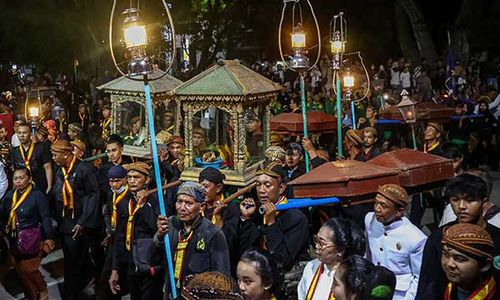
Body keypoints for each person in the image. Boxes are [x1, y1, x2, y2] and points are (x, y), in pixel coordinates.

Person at [416, 174, 500, 298]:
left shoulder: (497, 238)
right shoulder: (438, 238)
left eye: (470, 200)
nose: (461, 207)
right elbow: (427, 281)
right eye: (455, 200)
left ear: (484, 202)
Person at [155, 181, 231, 294]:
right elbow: (156, 255)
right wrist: (160, 235)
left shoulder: (212, 233)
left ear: (201, 207)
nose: (182, 208)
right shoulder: (170, 224)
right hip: (171, 291)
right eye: (179, 202)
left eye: (188, 204)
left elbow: (221, 277)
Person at [51, 139, 100, 300]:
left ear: (66, 154)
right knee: (72, 259)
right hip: (65, 221)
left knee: (74, 261)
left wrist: (83, 221)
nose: (52, 157)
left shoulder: (84, 169)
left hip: (79, 222)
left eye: (55, 154)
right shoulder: (60, 170)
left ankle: (71, 294)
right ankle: (80, 284)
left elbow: (93, 195)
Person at [239, 161, 309, 271]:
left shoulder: (296, 218)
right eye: (258, 185)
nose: (261, 191)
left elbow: (283, 260)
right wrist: (246, 218)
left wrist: (271, 223)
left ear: (281, 188)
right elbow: (245, 251)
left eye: (267, 185)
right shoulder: (258, 211)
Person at [108, 162, 164, 299]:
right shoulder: (124, 202)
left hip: (151, 263)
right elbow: (119, 237)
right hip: (131, 263)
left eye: (137, 177)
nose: (132, 181)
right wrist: (115, 269)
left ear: (147, 179)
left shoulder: (157, 201)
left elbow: (157, 229)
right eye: (129, 177)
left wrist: (143, 206)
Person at [0, 168, 56, 299]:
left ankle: (43, 290)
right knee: (21, 272)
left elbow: (46, 217)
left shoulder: (37, 195)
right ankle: (30, 295)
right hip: (14, 239)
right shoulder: (9, 195)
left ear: (29, 179)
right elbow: (2, 216)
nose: (18, 181)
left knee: (29, 269)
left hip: (32, 239)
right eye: (15, 178)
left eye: (21, 178)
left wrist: (49, 237)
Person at [364, 184, 427, 300]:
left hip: (399, 294)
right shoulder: (370, 219)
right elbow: (368, 256)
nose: (377, 209)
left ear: (399, 212)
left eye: (383, 206)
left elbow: (419, 277)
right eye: (376, 203)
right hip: (372, 289)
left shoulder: (416, 238)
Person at [298, 217, 366, 300]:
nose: (316, 246)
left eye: (322, 243)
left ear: (340, 251)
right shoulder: (312, 266)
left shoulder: (351, 278)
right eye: (316, 240)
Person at [424, 223, 497, 299]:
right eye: (446, 255)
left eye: (459, 259)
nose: (449, 264)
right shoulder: (436, 290)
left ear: (485, 265)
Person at [198, 167, 240, 270]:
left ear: (218, 188)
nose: (201, 190)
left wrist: (217, 217)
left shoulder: (231, 208)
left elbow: (228, 242)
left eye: (205, 186)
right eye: (200, 186)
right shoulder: (198, 206)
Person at [101, 165, 131, 298]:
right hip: (114, 238)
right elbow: (107, 212)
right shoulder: (111, 194)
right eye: (111, 181)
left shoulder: (130, 197)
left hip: (125, 240)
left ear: (125, 180)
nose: (114, 184)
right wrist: (109, 229)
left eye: (117, 181)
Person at [10, 122, 53, 194]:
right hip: (22, 188)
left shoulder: (41, 148)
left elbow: (48, 167)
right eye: (19, 133)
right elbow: (15, 172)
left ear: (30, 133)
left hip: (39, 186)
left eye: (24, 133)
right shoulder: (15, 151)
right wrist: (14, 190)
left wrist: (49, 186)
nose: (22, 135)